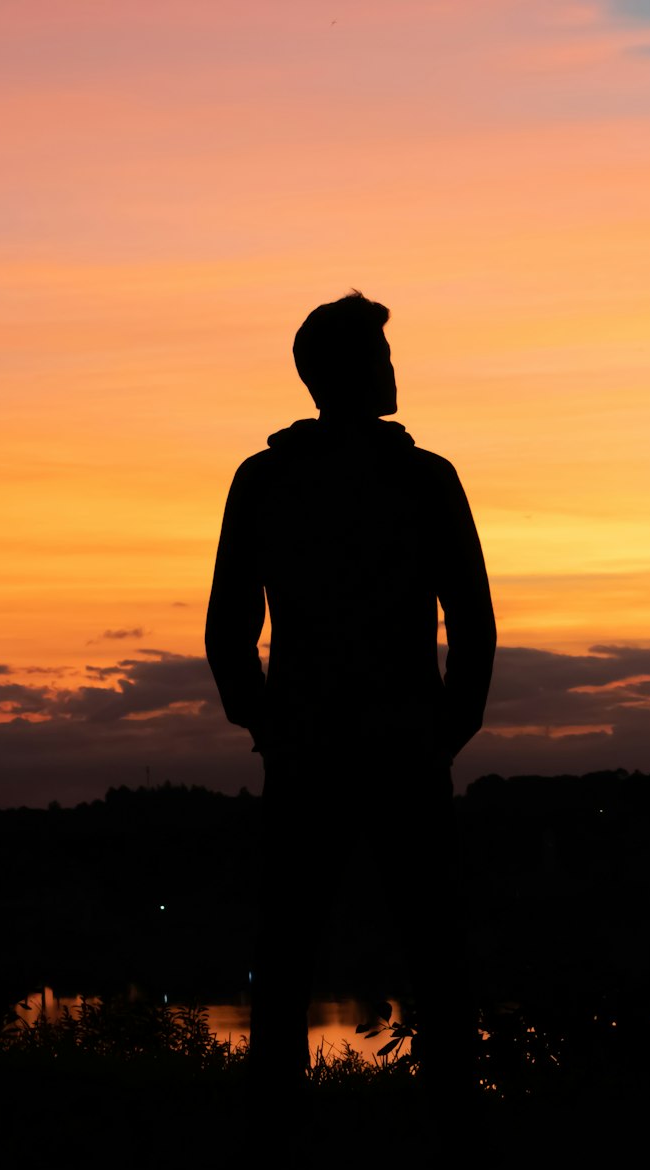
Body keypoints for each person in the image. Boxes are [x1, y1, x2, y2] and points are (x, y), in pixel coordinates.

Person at [205, 291, 496, 1089]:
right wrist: (443, 729)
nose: (393, 370)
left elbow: (229, 633)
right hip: (385, 745)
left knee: (298, 944)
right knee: (426, 946)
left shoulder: (267, 480)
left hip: (332, 746)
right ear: (354, 373)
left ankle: (282, 1130)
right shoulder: (420, 480)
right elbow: (472, 622)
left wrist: (268, 724)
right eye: (382, 357)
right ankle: (451, 1126)